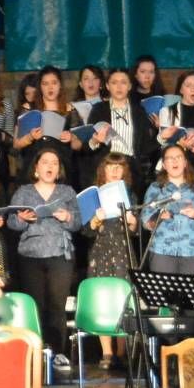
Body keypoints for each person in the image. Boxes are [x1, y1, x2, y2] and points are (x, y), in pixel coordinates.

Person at [6, 149, 81, 374]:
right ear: (36, 168)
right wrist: (21, 219)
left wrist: (67, 217)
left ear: (59, 170)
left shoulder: (67, 192)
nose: (50, 166)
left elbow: (78, 223)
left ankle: (58, 352)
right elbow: (11, 223)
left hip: (60, 254)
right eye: (45, 162)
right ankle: (35, 350)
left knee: (57, 305)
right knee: (35, 305)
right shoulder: (24, 192)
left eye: (55, 163)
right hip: (30, 255)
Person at [84, 154, 139, 366]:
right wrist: (95, 220)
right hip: (101, 250)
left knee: (123, 298)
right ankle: (107, 353)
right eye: (111, 166)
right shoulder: (94, 195)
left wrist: (131, 221)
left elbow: (135, 231)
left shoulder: (129, 194)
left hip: (123, 249)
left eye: (119, 167)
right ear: (103, 169)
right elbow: (85, 231)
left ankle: (122, 351)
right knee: (102, 298)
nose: (115, 171)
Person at [141, 144, 194, 278]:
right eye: (170, 158)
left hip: (193, 252)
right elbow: (145, 221)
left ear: (185, 163)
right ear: (164, 165)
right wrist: (158, 218)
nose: (174, 161)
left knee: (189, 290)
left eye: (178, 157)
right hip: (162, 251)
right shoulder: (155, 188)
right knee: (164, 290)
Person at [84, 67, 158, 186]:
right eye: (114, 83)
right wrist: (95, 141)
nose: (119, 87)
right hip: (106, 166)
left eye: (123, 82)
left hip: (131, 168)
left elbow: (145, 146)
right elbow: (87, 145)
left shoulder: (139, 111)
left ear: (129, 86)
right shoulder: (98, 110)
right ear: (107, 86)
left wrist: (161, 136)